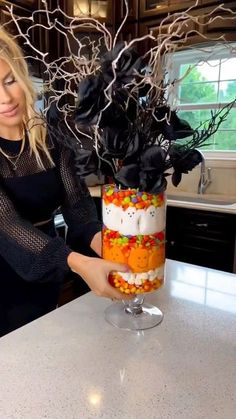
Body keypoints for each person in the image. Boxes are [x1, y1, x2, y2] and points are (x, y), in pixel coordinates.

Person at [0, 27, 130, 337]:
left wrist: (108, 247)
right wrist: (79, 263)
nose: (5, 98)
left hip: (47, 272)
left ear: (22, 77)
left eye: (9, 81)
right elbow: (6, 224)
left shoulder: (52, 137)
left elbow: (79, 208)